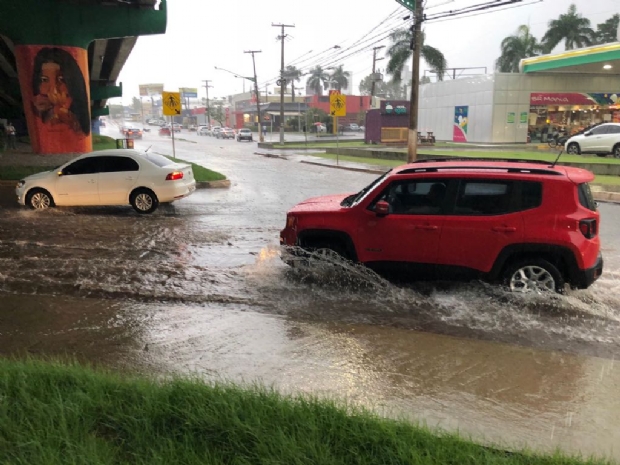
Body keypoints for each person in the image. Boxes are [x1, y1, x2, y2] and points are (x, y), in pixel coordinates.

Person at [30, 47, 90, 137]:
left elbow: (81, 137)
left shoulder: (76, 116)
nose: (53, 91)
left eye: (61, 80)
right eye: (44, 80)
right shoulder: (36, 108)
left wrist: (62, 111)